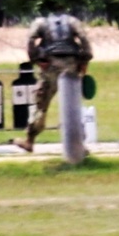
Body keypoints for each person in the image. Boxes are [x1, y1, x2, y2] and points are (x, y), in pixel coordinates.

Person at [12, 10, 92, 152]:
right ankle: (79, 144)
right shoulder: (72, 21)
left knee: (40, 104)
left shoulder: (40, 22)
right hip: (71, 65)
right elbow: (84, 39)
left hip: (50, 66)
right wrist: (84, 61)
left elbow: (31, 40)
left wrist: (36, 59)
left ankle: (30, 140)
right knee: (72, 106)